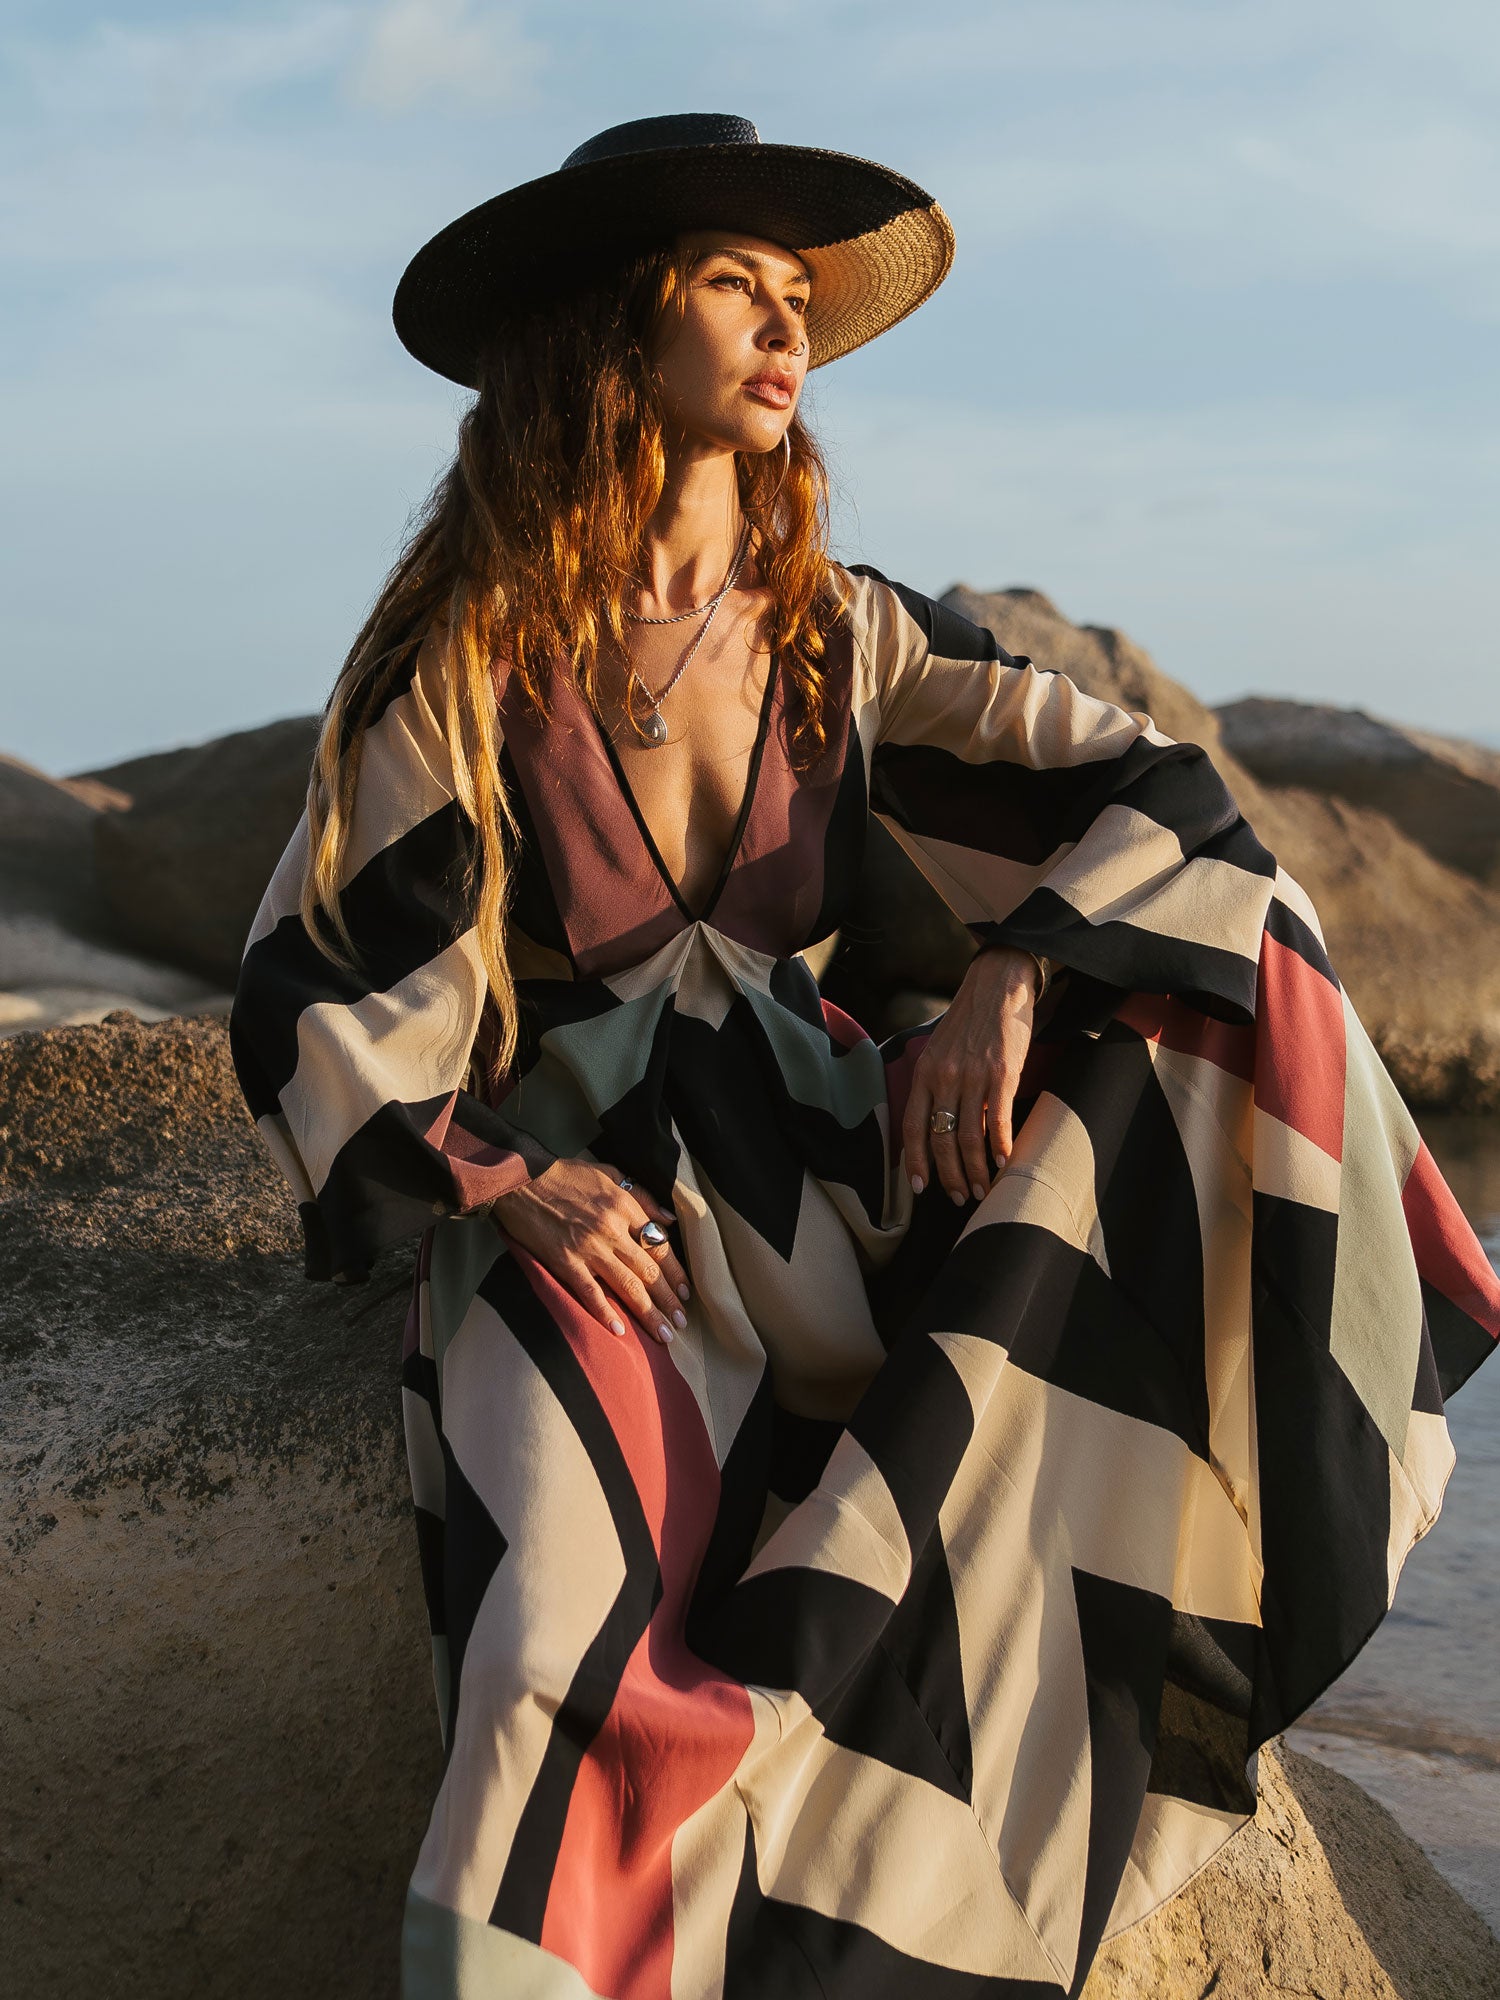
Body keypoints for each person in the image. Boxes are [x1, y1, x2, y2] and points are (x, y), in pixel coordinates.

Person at [229, 114, 1500, 2000]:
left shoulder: (837, 628)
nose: (786, 327)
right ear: (611, 327)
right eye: (734, 285)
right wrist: (499, 1173)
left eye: (798, 296)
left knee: (1217, 976)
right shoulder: (473, 651)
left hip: (836, 1182)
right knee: (541, 1674)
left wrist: (1012, 981)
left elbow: (1160, 800)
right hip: (614, 1231)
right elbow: (311, 982)